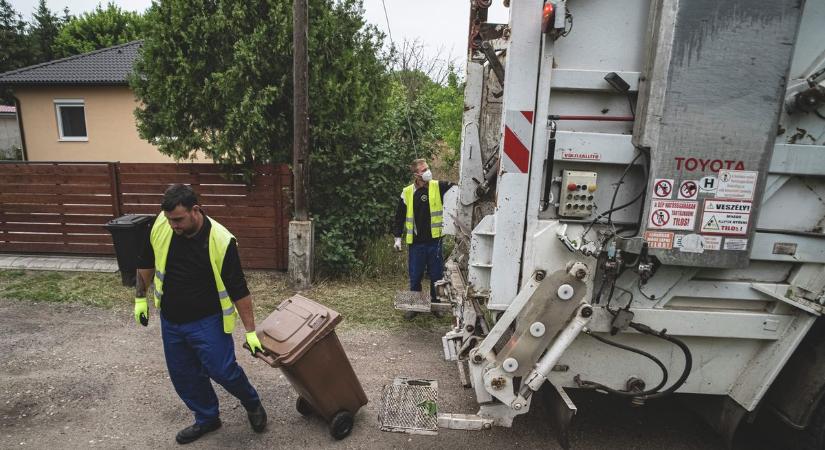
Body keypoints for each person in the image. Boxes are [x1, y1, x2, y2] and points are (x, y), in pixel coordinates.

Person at [133, 184, 267, 444]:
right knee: (184, 375)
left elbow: (238, 288)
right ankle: (207, 418)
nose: (174, 225)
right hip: (171, 320)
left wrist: (251, 331)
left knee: (223, 371)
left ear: (196, 210)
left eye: (179, 220)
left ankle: (252, 402)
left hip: (207, 321)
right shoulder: (162, 223)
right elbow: (146, 260)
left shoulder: (220, 240)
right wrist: (140, 297)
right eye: (170, 219)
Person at [393, 159, 455, 320]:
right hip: (416, 243)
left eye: (428, 168)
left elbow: (457, 189)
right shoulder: (407, 192)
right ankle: (415, 306)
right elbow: (399, 217)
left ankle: (436, 305)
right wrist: (397, 238)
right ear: (416, 174)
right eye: (424, 170)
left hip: (435, 241)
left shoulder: (438, 186)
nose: (428, 171)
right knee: (415, 275)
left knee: (436, 275)